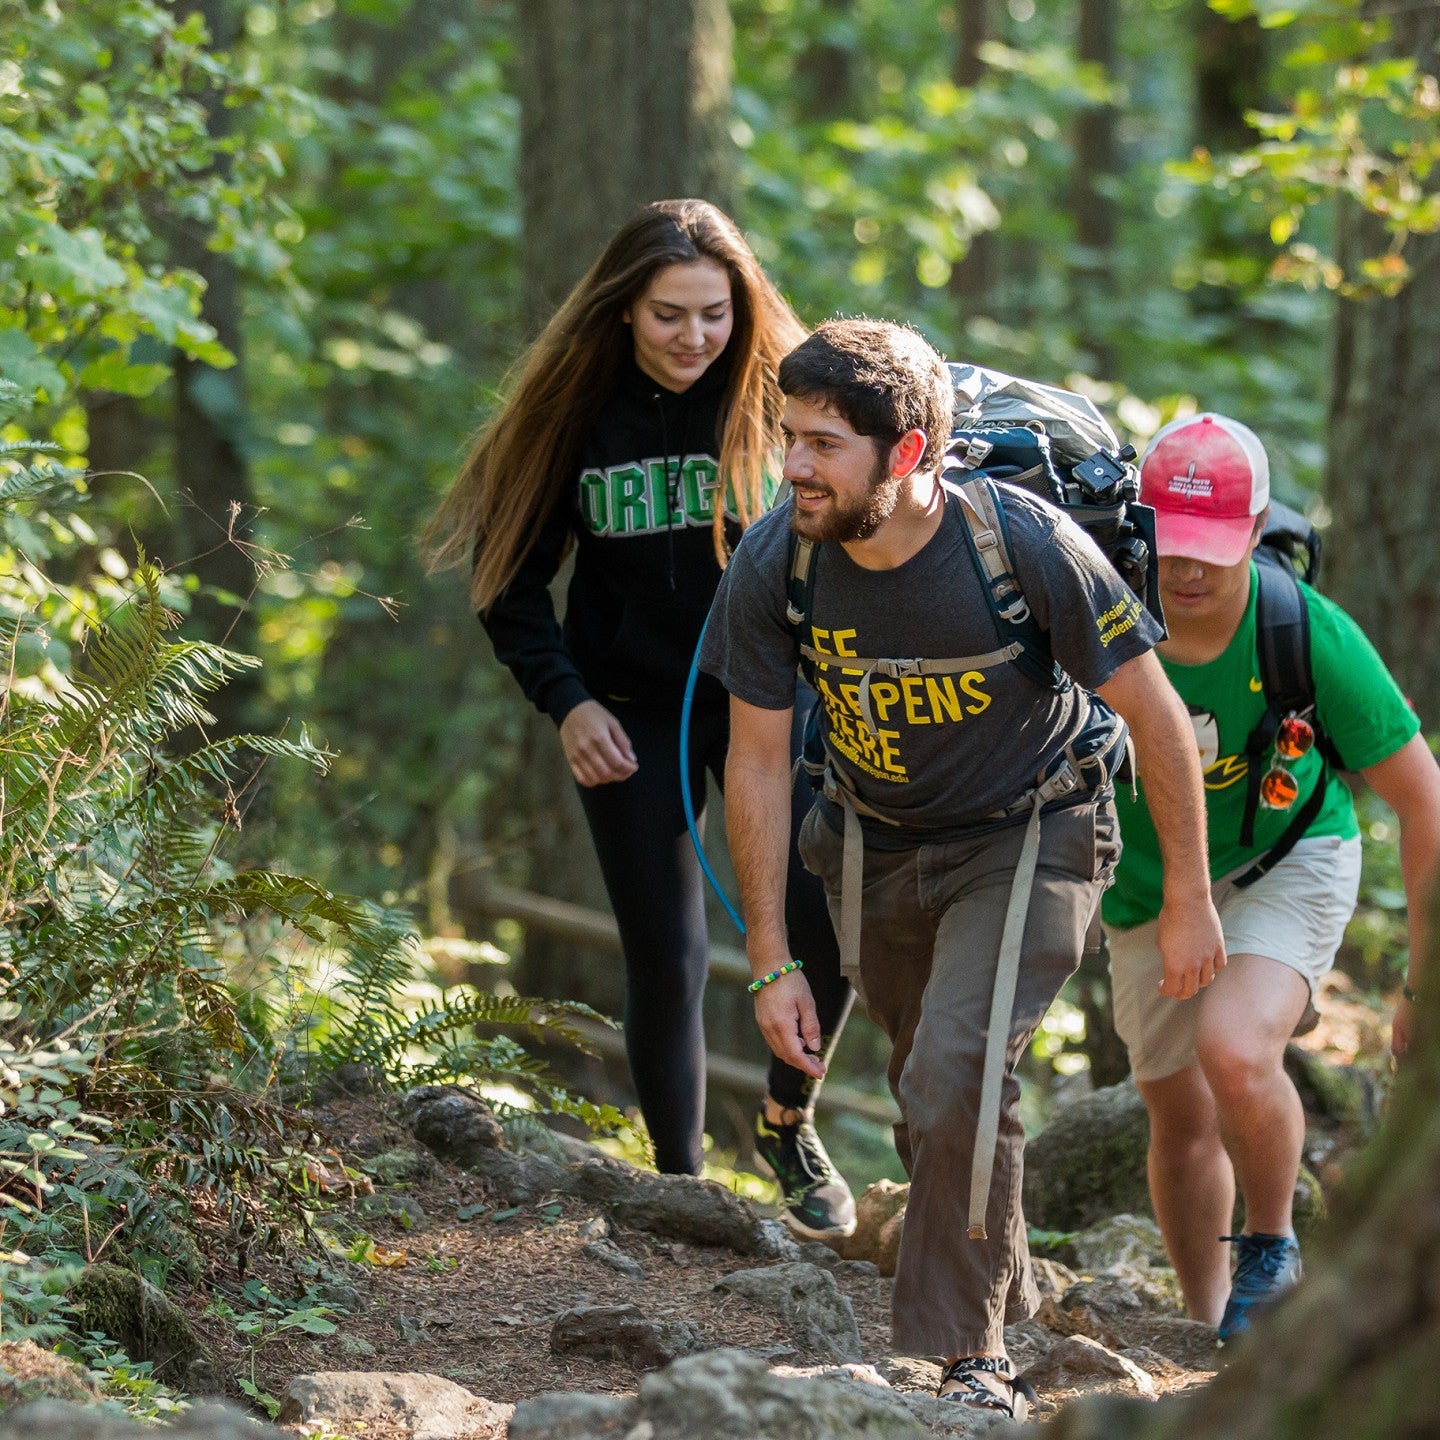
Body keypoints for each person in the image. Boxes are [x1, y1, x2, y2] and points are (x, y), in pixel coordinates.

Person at [700, 318, 1223, 1418]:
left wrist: (1188, 898)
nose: (793, 464)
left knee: (959, 1075)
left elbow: (1158, 716)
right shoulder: (776, 553)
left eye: (824, 444)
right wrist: (766, 956)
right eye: (789, 436)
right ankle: (1011, 1284)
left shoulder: (1023, 546)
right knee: (928, 1087)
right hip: (868, 843)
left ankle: (967, 1360)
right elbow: (753, 762)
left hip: (1032, 831)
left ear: (906, 454)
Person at [423, 199, 857, 1237]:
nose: (693, 338)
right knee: (666, 951)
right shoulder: (574, 414)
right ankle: (677, 1184)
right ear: (624, 310)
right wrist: (565, 701)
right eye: (669, 314)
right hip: (627, 708)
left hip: (768, 698)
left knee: (819, 921)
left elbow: (860, 534)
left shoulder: (780, 404)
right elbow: (508, 584)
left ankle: (788, 1127)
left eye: (714, 315)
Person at [1102, 412, 1440, 1342]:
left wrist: (1423, 982)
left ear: (1255, 532)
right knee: (1177, 1116)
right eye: (1171, 542)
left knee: (1237, 1051)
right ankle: (1212, 1324)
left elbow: (1423, 799)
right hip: (1146, 885)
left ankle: (1270, 1244)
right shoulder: (1098, 609)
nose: (1190, 568)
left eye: (1217, 545)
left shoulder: (1305, 633)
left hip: (1287, 857)